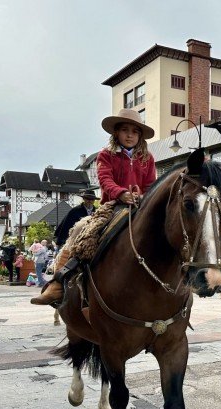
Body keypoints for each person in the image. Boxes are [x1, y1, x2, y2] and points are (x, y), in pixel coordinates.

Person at [31, 108, 156, 306]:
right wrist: (121, 193)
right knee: (81, 230)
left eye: (135, 131)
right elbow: (104, 180)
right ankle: (58, 283)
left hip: (142, 207)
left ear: (140, 135)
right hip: (112, 206)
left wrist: (142, 196)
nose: (130, 134)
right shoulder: (106, 155)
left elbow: (151, 185)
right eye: (125, 130)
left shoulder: (147, 158)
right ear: (116, 132)